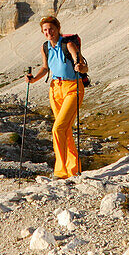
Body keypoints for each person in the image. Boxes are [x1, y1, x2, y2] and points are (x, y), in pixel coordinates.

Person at [25, 15, 88, 178]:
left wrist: (79, 66)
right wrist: (33, 79)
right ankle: (73, 169)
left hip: (73, 87)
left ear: (58, 29)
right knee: (64, 130)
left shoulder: (69, 44)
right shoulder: (45, 47)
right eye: (45, 30)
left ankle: (61, 172)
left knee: (58, 128)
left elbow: (81, 64)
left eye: (51, 29)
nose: (48, 32)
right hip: (55, 89)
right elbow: (45, 68)